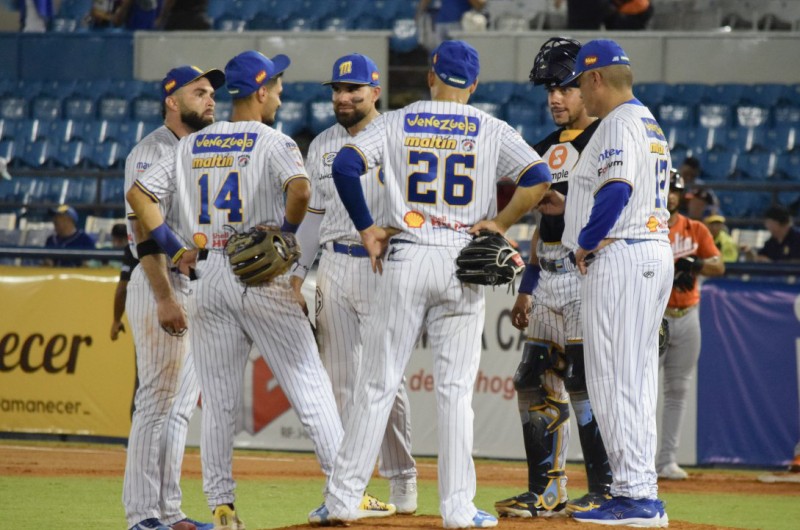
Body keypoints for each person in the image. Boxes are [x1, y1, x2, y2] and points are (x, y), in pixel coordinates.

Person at [127, 50, 395, 530]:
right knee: (310, 387)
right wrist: (287, 234)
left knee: (218, 402)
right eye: (276, 88)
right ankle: (345, 493)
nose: (280, 96)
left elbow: (139, 196)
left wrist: (177, 247)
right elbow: (302, 191)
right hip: (261, 275)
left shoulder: (192, 144)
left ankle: (222, 505)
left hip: (209, 275)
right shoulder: (273, 140)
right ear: (260, 91)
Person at [310, 40, 552, 529]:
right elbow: (540, 176)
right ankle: (458, 509)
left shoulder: (398, 120)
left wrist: (366, 227)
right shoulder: (489, 127)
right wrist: (501, 223)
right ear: (474, 84)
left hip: (407, 256)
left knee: (376, 383)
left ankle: (342, 498)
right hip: (463, 260)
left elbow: (344, 166)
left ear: (430, 77)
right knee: (455, 392)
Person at [539, 39, 673, 526]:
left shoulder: (616, 122)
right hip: (647, 250)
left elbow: (617, 189)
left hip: (622, 254)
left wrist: (584, 241)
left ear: (596, 78)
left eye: (579, 82)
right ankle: (640, 490)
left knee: (613, 379)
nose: (577, 91)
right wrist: (570, 207)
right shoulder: (646, 120)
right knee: (634, 378)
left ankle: (635, 495)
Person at [291, 53, 419, 514]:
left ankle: (402, 477)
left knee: (387, 381)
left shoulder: (399, 136)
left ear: (375, 92)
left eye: (353, 89)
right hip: (334, 265)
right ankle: (350, 488)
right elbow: (314, 217)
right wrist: (297, 274)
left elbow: (417, 208)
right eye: (337, 90)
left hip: (384, 265)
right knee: (341, 383)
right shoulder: (323, 143)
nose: (343, 97)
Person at [493, 37, 613, 519]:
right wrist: (526, 288)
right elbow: (541, 228)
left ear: (587, 86)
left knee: (583, 382)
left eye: (564, 88)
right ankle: (546, 491)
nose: (555, 98)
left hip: (590, 274)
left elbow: (623, 205)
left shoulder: (607, 137)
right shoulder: (541, 149)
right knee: (532, 379)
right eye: (550, 90)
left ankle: (606, 489)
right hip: (547, 277)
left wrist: (571, 205)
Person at [121, 64, 225, 530]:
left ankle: (170, 511)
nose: (210, 99)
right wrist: (164, 297)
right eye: (199, 92)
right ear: (172, 100)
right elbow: (144, 232)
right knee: (156, 401)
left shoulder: (204, 148)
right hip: (159, 281)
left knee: (180, 409)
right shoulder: (151, 152)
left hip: (198, 285)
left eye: (212, 93)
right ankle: (142, 514)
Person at [657, 170, 724, 481]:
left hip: (688, 314)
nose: (670, 195)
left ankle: (666, 460)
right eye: (666, 189)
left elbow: (719, 265)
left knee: (678, 389)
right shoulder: (648, 225)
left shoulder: (695, 228)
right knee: (643, 389)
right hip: (655, 316)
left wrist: (696, 264)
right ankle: (638, 459)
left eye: (674, 190)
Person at [416, 0, 489, 48]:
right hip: (446, 22)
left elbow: (479, 5)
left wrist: (418, 14)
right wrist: (418, 14)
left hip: (454, 22)